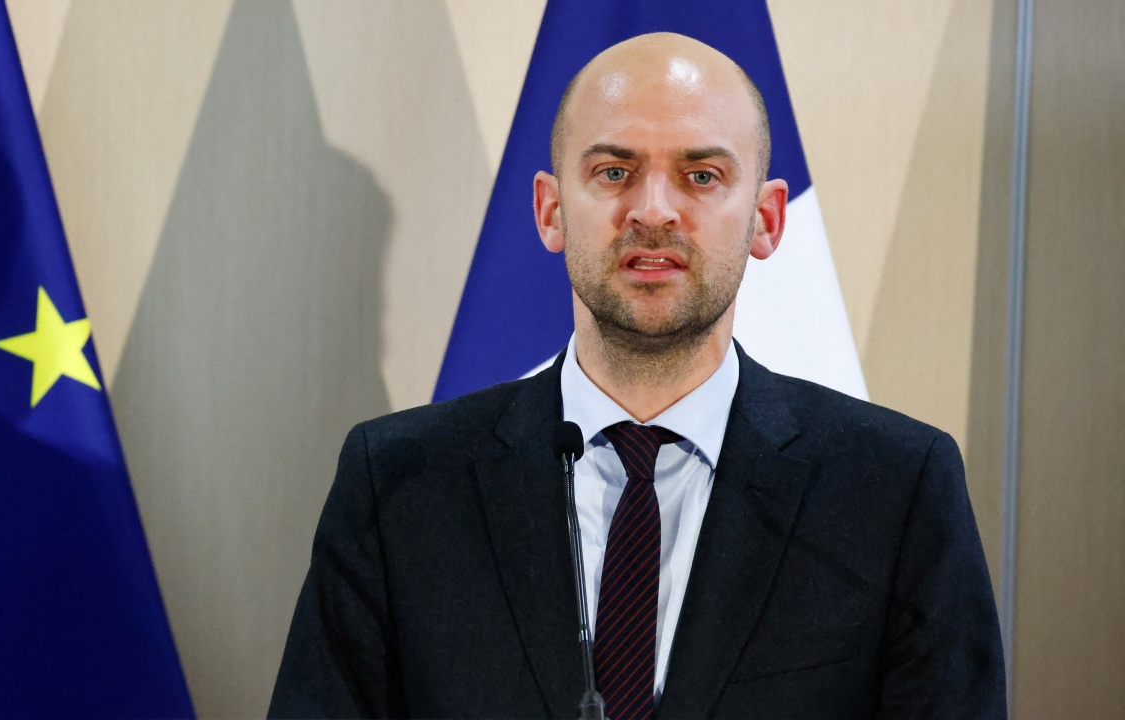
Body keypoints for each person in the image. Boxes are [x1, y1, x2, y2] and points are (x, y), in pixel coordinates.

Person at [269, 32, 1005, 719]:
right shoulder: (397, 483)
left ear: (766, 219)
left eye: (701, 175)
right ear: (550, 211)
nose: (653, 211)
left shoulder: (897, 489)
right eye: (614, 172)